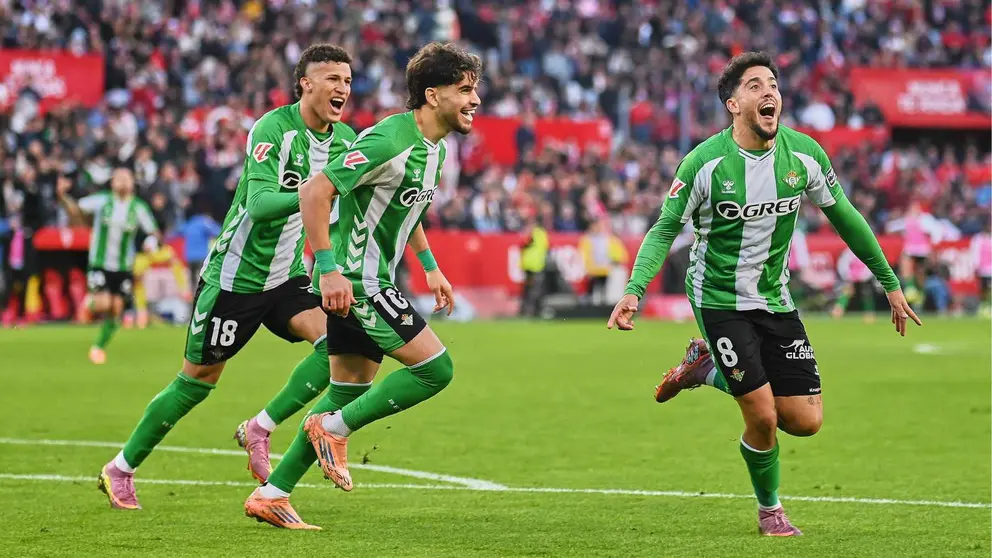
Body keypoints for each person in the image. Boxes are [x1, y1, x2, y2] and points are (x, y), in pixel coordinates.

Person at [607, 52, 921, 537]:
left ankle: (705, 368)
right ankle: (770, 511)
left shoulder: (805, 156)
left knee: (805, 420)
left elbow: (846, 219)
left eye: (772, 83)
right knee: (762, 414)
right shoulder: (705, 164)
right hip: (718, 298)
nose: (769, 91)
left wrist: (889, 281)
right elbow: (664, 228)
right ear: (734, 104)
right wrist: (633, 291)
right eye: (755, 85)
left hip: (775, 299)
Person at [97, 44, 358, 510]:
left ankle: (259, 427)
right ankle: (120, 467)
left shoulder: (344, 143)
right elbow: (257, 206)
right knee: (196, 383)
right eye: (332, 78)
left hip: (286, 276)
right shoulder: (273, 129)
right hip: (235, 278)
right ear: (306, 83)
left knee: (339, 343)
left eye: (347, 80)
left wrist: (327, 261)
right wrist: (314, 193)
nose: (342, 88)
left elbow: (337, 217)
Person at [243, 41, 481, 530]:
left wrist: (430, 265)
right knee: (436, 369)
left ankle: (272, 492)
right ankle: (331, 430)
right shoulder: (389, 140)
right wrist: (328, 269)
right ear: (433, 95)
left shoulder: (434, 149)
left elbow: (406, 209)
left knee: (346, 390)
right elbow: (315, 190)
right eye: (464, 89)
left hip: (370, 277)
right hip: (356, 279)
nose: (475, 99)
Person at [58, 169, 159, 363]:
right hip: (100, 263)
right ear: (112, 182)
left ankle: (97, 347)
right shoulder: (102, 201)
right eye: (118, 178)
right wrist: (62, 196)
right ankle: (90, 301)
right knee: (104, 303)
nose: (122, 181)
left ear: (132, 183)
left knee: (117, 310)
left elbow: (153, 232)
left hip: (123, 266)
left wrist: (151, 243)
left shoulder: (138, 207)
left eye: (126, 177)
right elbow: (76, 210)